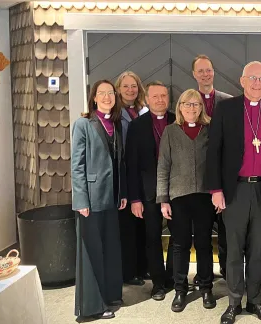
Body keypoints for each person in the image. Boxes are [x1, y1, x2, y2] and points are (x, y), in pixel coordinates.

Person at [205, 61, 261, 324]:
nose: (256, 83)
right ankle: (233, 302)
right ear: (242, 81)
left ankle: (255, 301)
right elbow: (214, 151)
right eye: (252, 78)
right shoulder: (226, 109)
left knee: (257, 250)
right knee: (233, 250)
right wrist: (216, 189)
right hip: (235, 190)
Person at [156, 89, 217, 312]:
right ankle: (180, 290)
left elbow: (218, 162)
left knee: (203, 244)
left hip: (204, 196)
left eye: (196, 104)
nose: (191, 108)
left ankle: (206, 287)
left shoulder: (210, 130)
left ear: (201, 108)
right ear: (180, 107)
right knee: (180, 244)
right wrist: (163, 199)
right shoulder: (171, 132)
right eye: (187, 104)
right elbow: (163, 166)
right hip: (178, 197)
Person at [72, 80, 127, 320]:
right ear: (94, 97)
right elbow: (77, 166)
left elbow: (119, 163)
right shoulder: (83, 124)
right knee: (92, 252)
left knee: (111, 249)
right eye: (101, 93)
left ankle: (111, 295)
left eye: (110, 93)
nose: (106, 97)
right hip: (91, 201)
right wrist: (81, 200)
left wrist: (122, 192)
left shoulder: (116, 124)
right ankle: (92, 306)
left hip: (112, 199)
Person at [126, 81, 175, 301]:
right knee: (152, 237)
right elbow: (132, 165)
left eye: (163, 95)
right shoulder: (137, 126)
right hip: (148, 192)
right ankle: (158, 283)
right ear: (147, 99)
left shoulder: (177, 120)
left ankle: (174, 278)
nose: (160, 100)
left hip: (177, 190)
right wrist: (135, 198)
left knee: (179, 237)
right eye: (155, 96)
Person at [192, 54, 232, 281]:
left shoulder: (227, 102)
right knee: (202, 231)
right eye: (201, 71)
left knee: (226, 231)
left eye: (209, 70)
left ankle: (227, 270)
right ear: (194, 74)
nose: (205, 74)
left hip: (223, 179)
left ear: (213, 72)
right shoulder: (188, 101)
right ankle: (203, 273)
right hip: (197, 179)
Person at [115, 71, 149, 287]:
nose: (130, 90)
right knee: (127, 227)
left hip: (144, 175)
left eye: (134, 86)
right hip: (124, 175)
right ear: (118, 89)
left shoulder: (143, 111)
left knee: (144, 226)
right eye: (126, 86)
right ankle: (128, 272)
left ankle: (143, 267)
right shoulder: (116, 113)